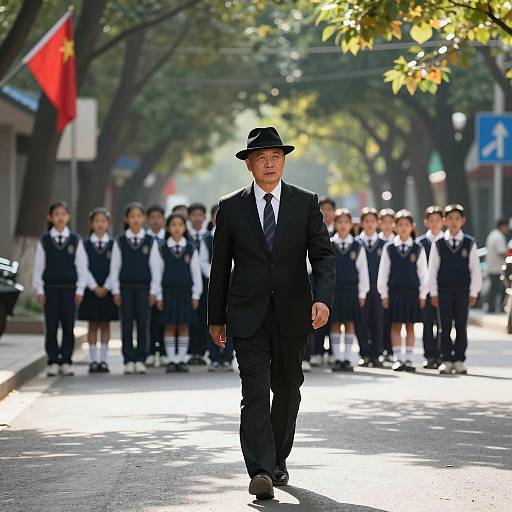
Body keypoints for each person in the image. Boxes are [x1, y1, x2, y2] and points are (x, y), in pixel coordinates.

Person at [208, 127, 335, 500]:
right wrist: (217, 318)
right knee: (255, 392)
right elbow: (220, 266)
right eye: (261, 157)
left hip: (294, 311)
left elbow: (323, 256)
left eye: (275, 156)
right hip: (247, 314)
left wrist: (323, 298)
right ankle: (261, 469)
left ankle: (277, 456)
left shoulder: (306, 202)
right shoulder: (231, 206)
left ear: (283, 161)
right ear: (249, 164)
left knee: (288, 390)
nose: (269, 162)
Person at [32, 201, 88, 377]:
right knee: (51, 326)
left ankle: (66, 360)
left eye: (63, 214)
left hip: (69, 289)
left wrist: (80, 290)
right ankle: (53, 361)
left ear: (68, 217)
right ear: (50, 217)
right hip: (50, 289)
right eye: (56, 214)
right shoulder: (45, 241)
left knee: (68, 325)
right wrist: (40, 290)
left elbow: (81, 267)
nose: (60, 217)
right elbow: (38, 267)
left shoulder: (75, 241)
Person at [428, 204, 483, 375]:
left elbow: (475, 269)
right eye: (450, 218)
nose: (453, 222)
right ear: (445, 221)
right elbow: (433, 270)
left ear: (463, 221)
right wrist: (434, 292)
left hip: (462, 291)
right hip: (443, 291)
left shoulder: (469, 243)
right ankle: (445, 359)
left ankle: (459, 359)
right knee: (444, 326)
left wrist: (474, 292)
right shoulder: (439, 244)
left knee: (461, 325)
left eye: (457, 218)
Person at [110, 203, 160, 375]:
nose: (136, 220)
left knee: (143, 324)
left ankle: (140, 358)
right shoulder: (121, 241)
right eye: (132, 216)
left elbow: (155, 268)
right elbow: (115, 267)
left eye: (139, 216)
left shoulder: (149, 241)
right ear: (127, 219)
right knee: (126, 325)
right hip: (125, 288)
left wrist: (154, 291)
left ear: (143, 219)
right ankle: (128, 359)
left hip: (144, 289)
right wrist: (115, 290)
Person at [378, 209, 428, 372]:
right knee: (396, 326)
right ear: (394, 227)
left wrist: (422, 294)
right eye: (400, 225)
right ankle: (398, 358)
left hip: (412, 292)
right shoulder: (389, 248)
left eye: (407, 225)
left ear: (412, 227)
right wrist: (384, 294)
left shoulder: (418, 248)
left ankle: (408, 358)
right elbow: (383, 272)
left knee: (411, 326)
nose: (404, 228)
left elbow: (423, 273)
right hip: (395, 292)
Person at [151, 213, 202, 373]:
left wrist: (196, 294)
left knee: (184, 325)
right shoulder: (162, 249)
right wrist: (158, 295)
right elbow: (157, 273)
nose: (177, 228)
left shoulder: (191, 248)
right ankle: (172, 359)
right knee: (170, 325)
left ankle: (181, 359)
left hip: (186, 293)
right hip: (168, 293)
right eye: (173, 225)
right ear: (168, 228)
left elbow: (196, 273)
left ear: (185, 227)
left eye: (180, 225)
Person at [79, 207, 118, 374]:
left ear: (108, 224)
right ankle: (93, 360)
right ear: (91, 224)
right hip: (91, 290)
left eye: (103, 221)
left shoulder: (113, 245)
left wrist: (108, 286)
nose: (100, 224)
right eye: (97, 221)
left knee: (105, 324)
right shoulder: (85, 245)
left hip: (107, 290)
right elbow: (82, 267)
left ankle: (103, 359)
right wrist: (94, 286)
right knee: (92, 324)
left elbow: (115, 267)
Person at [330, 209, 369, 372]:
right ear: (335, 224)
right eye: (339, 222)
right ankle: (338, 358)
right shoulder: (330, 244)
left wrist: (362, 293)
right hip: (335, 290)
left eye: (346, 222)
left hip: (352, 289)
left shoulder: (357, 246)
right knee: (335, 323)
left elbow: (363, 271)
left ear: (351, 225)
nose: (343, 225)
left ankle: (347, 358)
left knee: (349, 323)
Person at [356, 207, 385, 368]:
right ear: (361, 223)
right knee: (362, 321)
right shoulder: (356, 243)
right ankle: (364, 354)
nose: (369, 224)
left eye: (372, 221)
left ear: (377, 223)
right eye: (366, 221)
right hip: (361, 288)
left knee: (378, 321)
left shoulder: (384, 245)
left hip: (378, 288)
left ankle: (377, 354)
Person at [309, 196, 337, 367]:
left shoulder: (341, 232)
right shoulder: (312, 230)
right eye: (322, 209)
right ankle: (317, 351)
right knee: (316, 317)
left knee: (334, 319)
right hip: (315, 279)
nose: (326, 213)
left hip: (337, 282)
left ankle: (333, 352)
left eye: (329, 209)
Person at [416, 205, 444, 369]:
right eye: (431, 220)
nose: (434, 223)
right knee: (427, 324)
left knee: (443, 324)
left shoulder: (446, 241)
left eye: (437, 220)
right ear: (426, 222)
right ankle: (429, 355)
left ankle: (441, 354)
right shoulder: (420, 243)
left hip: (442, 289)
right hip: (425, 291)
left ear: (443, 221)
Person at [187, 203, 211, 366]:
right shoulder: (183, 236)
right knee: (189, 318)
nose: (197, 218)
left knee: (204, 317)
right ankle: (190, 351)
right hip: (187, 283)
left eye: (200, 215)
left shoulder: (209, 236)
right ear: (189, 217)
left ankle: (202, 351)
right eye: (193, 215)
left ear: (204, 217)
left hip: (207, 282)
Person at [146, 205, 167, 368]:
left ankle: (165, 352)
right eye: (152, 217)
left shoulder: (168, 239)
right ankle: (150, 351)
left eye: (158, 217)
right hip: (148, 287)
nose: (155, 220)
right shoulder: (145, 240)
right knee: (149, 321)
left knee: (164, 321)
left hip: (166, 286)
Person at [378, 208, 396, 363]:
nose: (387, 225)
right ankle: (379, 349)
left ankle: (390, 350)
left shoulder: (397, 242)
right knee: (379, 321)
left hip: (394, 288)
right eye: (384, 222)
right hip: (377, 287)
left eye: (391, 222)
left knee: (392, 321)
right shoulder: (377, 242)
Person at [484, 218, 509, 313]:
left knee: (493, 289)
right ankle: (493, 308)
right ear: (503, 226)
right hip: (497, 268)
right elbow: (501, 252)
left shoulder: (492, 234)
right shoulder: (498, 236)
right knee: (496, 290)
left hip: (492, 267)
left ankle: (491, 308)